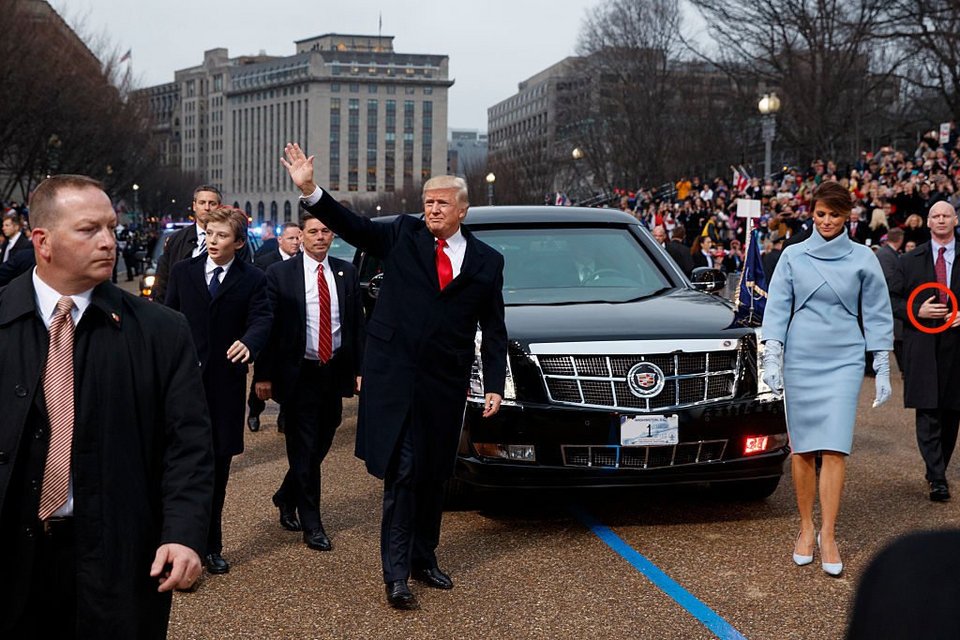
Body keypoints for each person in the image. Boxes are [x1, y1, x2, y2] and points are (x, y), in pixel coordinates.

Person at [282, 142, 507, 610]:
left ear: (462, 210)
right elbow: (355, 226)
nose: (433, 209)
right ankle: (396, 574)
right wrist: (311, 191)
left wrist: (493, 384)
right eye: (428, 202)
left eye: (442, 202)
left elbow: (494, 327)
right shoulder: (403, 234)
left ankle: (425, 558)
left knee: (434, 474)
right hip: (397, 380)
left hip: (444, 385)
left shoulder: (487, 261)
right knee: (403, 473)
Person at [0, 175, 213, 637]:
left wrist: (183, 534)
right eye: (88, 229)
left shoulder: (162, 331)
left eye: (111, 228)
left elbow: (189, 446)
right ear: (43, 242)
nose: (108, 242)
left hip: (119, 558)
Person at [761, 180, 893, 577]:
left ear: (847, 216)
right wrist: (772, 355)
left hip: (844, 359)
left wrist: (882, 364)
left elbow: (877, 310)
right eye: (821, 214)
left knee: (835, 447)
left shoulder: (864, 258)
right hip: (801, 357)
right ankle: (806, 528)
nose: (827, 221)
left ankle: (829, 534)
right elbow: (778, 307)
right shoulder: (792, 255)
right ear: (812, 213)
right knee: (803, 448)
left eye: (835, 215)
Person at [164, 206, 272, 576]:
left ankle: (211, 546)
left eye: (222, 235)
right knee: (181, 467)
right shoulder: (183, 272)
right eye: (210, 233)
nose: (213, 241)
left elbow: (263, 318)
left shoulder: (253, 279)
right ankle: (179, 543)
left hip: (225, 387)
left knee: (217, 470)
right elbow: (168, 317)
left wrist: (250, 342)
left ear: (238, 243)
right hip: (184, 384)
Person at [253, 214, 364, 552]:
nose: (319, 236)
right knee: (303, 447)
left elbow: (356, 325)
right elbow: (268, 326)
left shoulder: (346, 272)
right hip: (298, 372)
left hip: (333, 370)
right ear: (301, 236)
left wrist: (361, 369)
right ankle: (312, 524)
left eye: (325, 231)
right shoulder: (279, 274)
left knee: (323, 439)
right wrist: (263, 375)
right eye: (313, 231)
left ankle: (286, 495)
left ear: (332, 236)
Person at [888, 201, 960, 502]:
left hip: (956, 343)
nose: (941, 220)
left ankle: (937, 468)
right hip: (922, 342)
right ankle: (937, 476)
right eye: (935, 216)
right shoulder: (909, 260)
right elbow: (891, 299)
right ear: (928, 222)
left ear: (955, 220)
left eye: (946, 215)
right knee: (928, 409)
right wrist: (917, 309)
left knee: (952, 411)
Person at [153, 185, 252, 305]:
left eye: (212, 203)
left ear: (219, 207)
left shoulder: (235, 241)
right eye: (202, 203)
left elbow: (245, 280)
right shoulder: (176, 240)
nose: (207, 208)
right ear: (194, 206)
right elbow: (162, 282)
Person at [248, 222, 301, 433]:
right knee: (263, 375)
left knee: (290, 375)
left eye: (298, 238)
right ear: (280, 240)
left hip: (293, 327)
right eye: (291, 238)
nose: (295, 242)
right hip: (270, 326)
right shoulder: (264, 262)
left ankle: (285, 415)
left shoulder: (303, 262)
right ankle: (254, 410)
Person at [875, 227, 905, 373]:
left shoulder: (889, 253)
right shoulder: (885, 254)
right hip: (886, 299)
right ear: (900, 239)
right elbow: (889, 278)